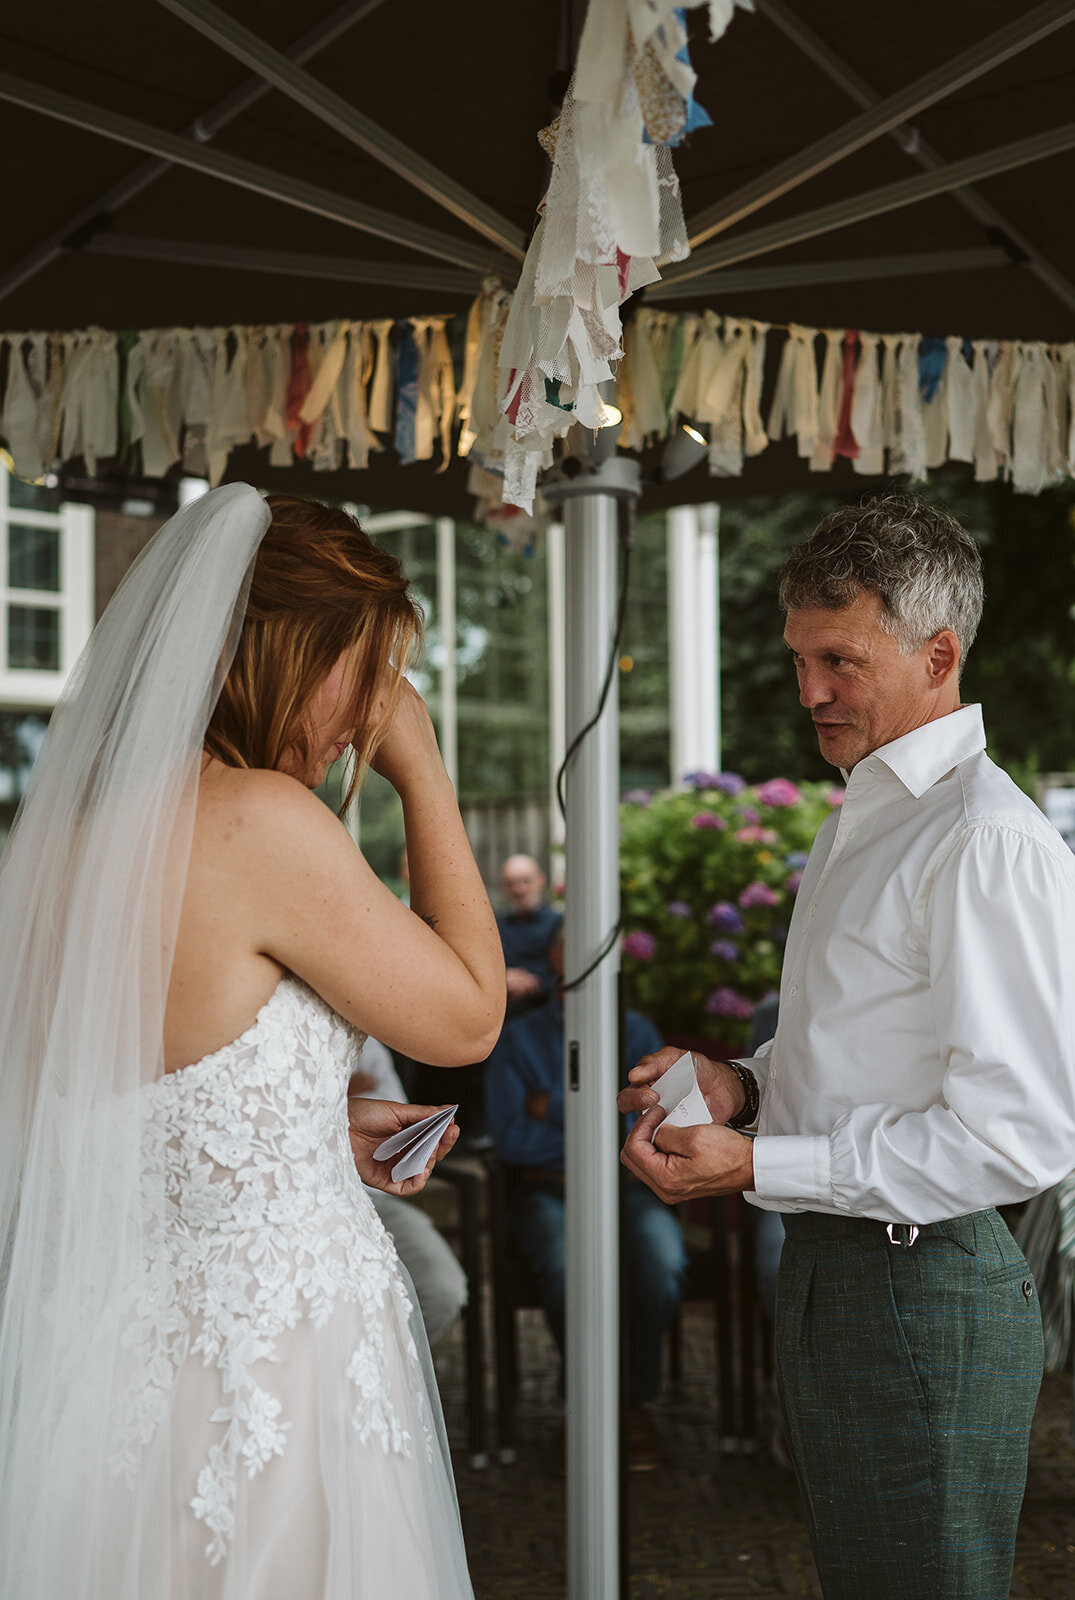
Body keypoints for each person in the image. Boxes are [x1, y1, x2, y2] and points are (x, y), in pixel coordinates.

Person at [0, 487, 505, 1600]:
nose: (368, 711)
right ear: (288, 651)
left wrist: (301, 1135)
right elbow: (470, 1014)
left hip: (115, 1371)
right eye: (363, 669)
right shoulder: (263, 820)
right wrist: (423, 768)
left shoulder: (63, 851)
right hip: (270, 1376)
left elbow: (100, 1117)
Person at [619, 494, 1075, 1599]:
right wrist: (740, 1084)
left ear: (938, 656)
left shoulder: (983, 838)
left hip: (925, 1284)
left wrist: (758, 1164)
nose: (808, 690)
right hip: (847, 1268)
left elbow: (1018, 1136)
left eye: (840, 661)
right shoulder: (862, 816)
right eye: (798, 658)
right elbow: (857, 1052)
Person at [487, 933, 686, 1467]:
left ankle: (630, 1400)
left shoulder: (636, 1032)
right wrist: (606, 1127)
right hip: (550, 1189)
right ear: (552, 968)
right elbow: (511, 1139)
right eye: (565, 970)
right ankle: (587, 1406)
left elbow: (658, 1125)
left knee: (661, 1262)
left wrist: (552, 1107)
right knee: (563, 1267)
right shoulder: (518, 1038)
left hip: (629, 1187)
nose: (576, 980)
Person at [350, 1036, 468, 1346]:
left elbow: (392, 1109)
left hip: (370, 1198)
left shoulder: (361, 1036)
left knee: (442, 1289)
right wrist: (342, 1097)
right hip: (267, 1203)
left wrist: (343, 1114)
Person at [497, 853, 563, 1017]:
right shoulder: (495, 928)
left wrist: (534, 982)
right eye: (511, 883)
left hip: (547, 1015)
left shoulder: (558, 924)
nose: (519, 889)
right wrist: (502, 979)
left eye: (526, 881)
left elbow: (565, 973)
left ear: (541, 880)